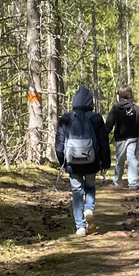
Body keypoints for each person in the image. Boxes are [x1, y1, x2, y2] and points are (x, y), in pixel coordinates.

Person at [55, 86, 111, 236]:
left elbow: (59, 145)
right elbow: (103, 143)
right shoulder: (96, 118)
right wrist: (105, 164)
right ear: (90, 102)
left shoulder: (66, 119)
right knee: (90, 188)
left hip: (72, 163)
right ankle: (89, 210)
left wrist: (63, 163)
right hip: (92, 162)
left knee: (77, 192)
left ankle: (80, 227)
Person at [105, 86, 139, 190]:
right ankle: (133, 184)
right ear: (130, 94)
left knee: (120, 160)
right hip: (133, 139)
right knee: (132, 159)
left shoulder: (115, 108)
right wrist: (138, 134)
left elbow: (109, 123)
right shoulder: (135, 108)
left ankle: (117, 181)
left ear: (120, 95)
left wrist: (104, 135)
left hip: (120, 139)